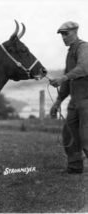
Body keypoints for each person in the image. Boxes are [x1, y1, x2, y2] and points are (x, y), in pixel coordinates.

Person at [50, 21, 88, 174]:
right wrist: (58, 101)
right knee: (69, 134)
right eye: (62, 34)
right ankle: (74, 167)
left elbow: (84, 68)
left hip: (86, 101)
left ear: (75, 32)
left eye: (66, 33)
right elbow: (67, 81)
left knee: (86, 137)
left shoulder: (83, 47)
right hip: (75, 103)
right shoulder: (70, 52)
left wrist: (64, 77)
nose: (64, 37)